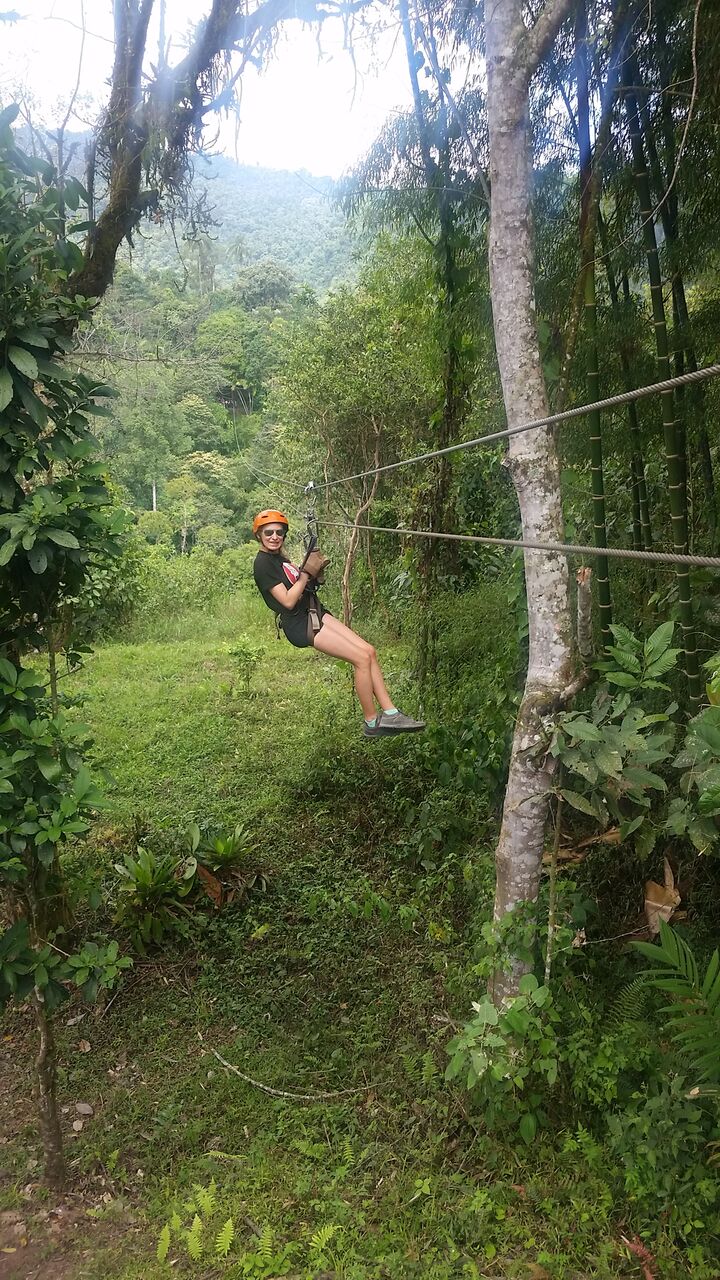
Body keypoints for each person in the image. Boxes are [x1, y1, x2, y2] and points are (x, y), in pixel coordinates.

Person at [251, 509, 425, 738]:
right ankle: (371, 722)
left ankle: (391, 713)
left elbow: (299, 584)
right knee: (361, 659)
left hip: (314, 611)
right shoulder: (263, 564)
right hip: (300, 623)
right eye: (269, 532)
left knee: (369, 651)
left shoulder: (280, 558)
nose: (274, 536)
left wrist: (312, 574)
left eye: (279, 532)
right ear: (259, 535)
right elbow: (288, 600)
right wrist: (305, 573)